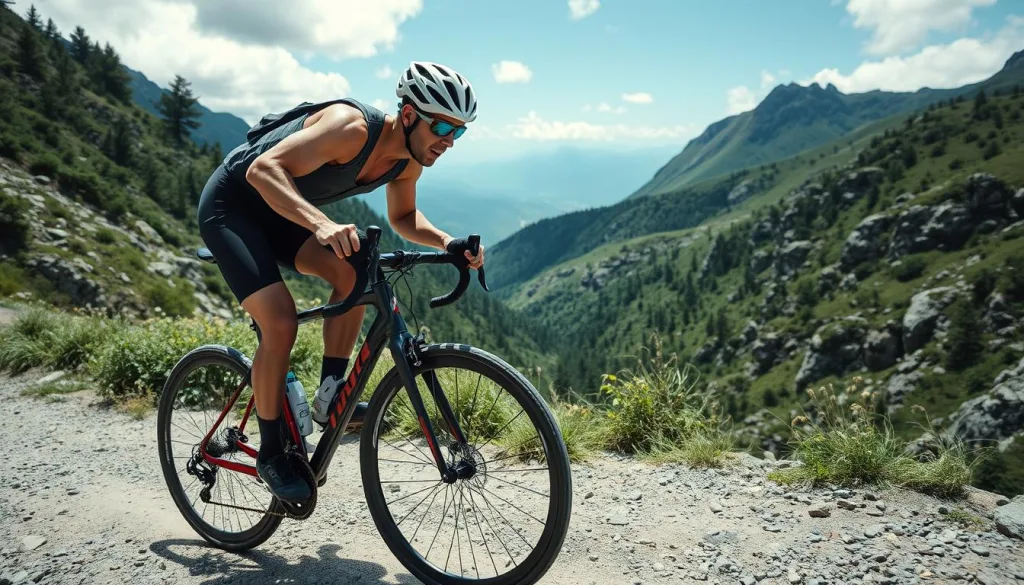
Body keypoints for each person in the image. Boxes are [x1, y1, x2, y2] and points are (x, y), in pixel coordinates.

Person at [196, 62, 485, 503]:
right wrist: (321, 224)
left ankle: (330, 397)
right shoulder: (349, 127)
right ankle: (271, 453)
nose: (448, 141)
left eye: (458, 132)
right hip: (232, 206)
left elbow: (403, 217)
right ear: (408, 115)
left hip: (282, 213)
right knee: (281, 321)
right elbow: (262, 170)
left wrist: (448, 242)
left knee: (355, 272)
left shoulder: (408, 160)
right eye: (442, 125)